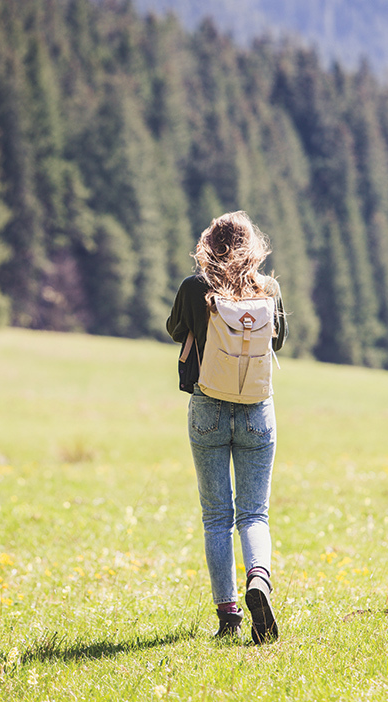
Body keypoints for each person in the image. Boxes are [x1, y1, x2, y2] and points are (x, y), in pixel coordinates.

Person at [166, 211, 288, 643]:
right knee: (254, 513)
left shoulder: (195, 287)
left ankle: (229, 614)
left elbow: (173, 329)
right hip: (257, 411)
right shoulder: (267, 288)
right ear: (252, 247)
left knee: (217, 516)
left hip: (208, 408)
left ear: (208, 244)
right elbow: (278, 339)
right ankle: (259, 580)